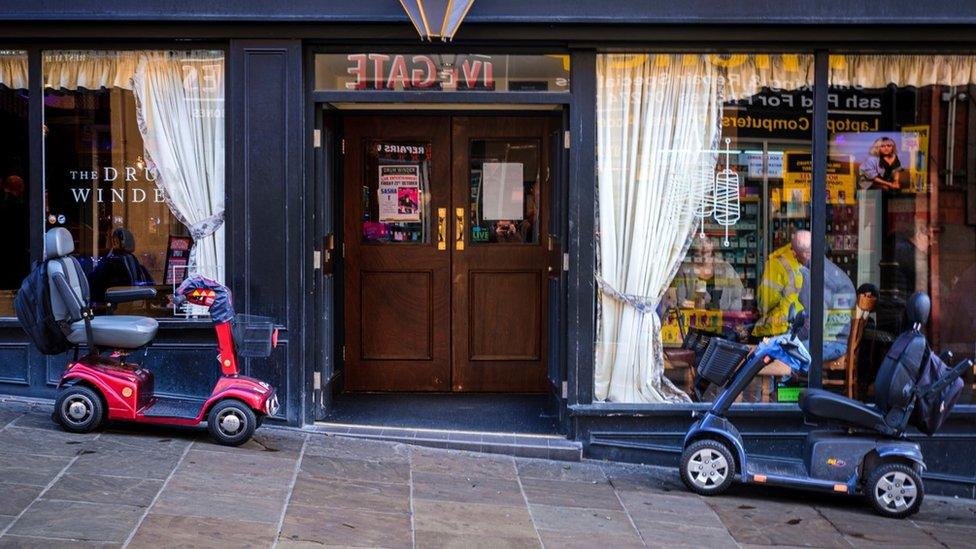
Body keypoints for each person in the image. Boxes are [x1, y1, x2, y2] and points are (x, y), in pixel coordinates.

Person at [752, 230, 810, 338]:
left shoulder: (776, 264)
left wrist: (757, 308)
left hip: (779, 327)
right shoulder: (803, 262)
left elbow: (766, 301)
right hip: (802, 326)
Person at [798, 254, 856, 361]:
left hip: (833, 342)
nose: (793, 254)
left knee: (790, 351)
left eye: (795, 252)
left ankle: (786, 376)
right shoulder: (827, 270)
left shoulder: (820, 274)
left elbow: (813, 322)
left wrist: (795, 339)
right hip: (836, 338)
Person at [671, 235, 743, 312]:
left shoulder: (726, 267)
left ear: (712, 245)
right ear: (693, 247)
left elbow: (738, 297)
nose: (704, 247)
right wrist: (699, 306)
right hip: (694, 320)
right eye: (699, 243)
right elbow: (680, 301)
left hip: (724, 320)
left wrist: (729, 316)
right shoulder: (684, 269)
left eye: (707, 241)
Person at [88, 227, 155, 302]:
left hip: (116, 302)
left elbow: (97, 281)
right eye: (113, 238)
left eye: (117, 239)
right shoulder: (129, 259)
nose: (113, 241)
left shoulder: (115, 260)